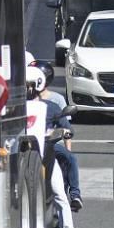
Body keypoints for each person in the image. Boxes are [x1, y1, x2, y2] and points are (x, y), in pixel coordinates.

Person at [26, 65, 77, 228]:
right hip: (24, 154)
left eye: (30, 86)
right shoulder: (14, 108)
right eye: (24, 86)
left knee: (59, 193)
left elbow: (68, 129)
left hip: (45, 153)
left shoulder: (52, 107)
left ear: (38, 85)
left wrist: (60, 132)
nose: (27, 90)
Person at [31, 59, 83, 211]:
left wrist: (68, 150)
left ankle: (75, 195)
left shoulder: (57, 100)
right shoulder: (26, 98)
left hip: (51, 144)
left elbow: (66, 128)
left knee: (71, 158)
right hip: (31, 143)